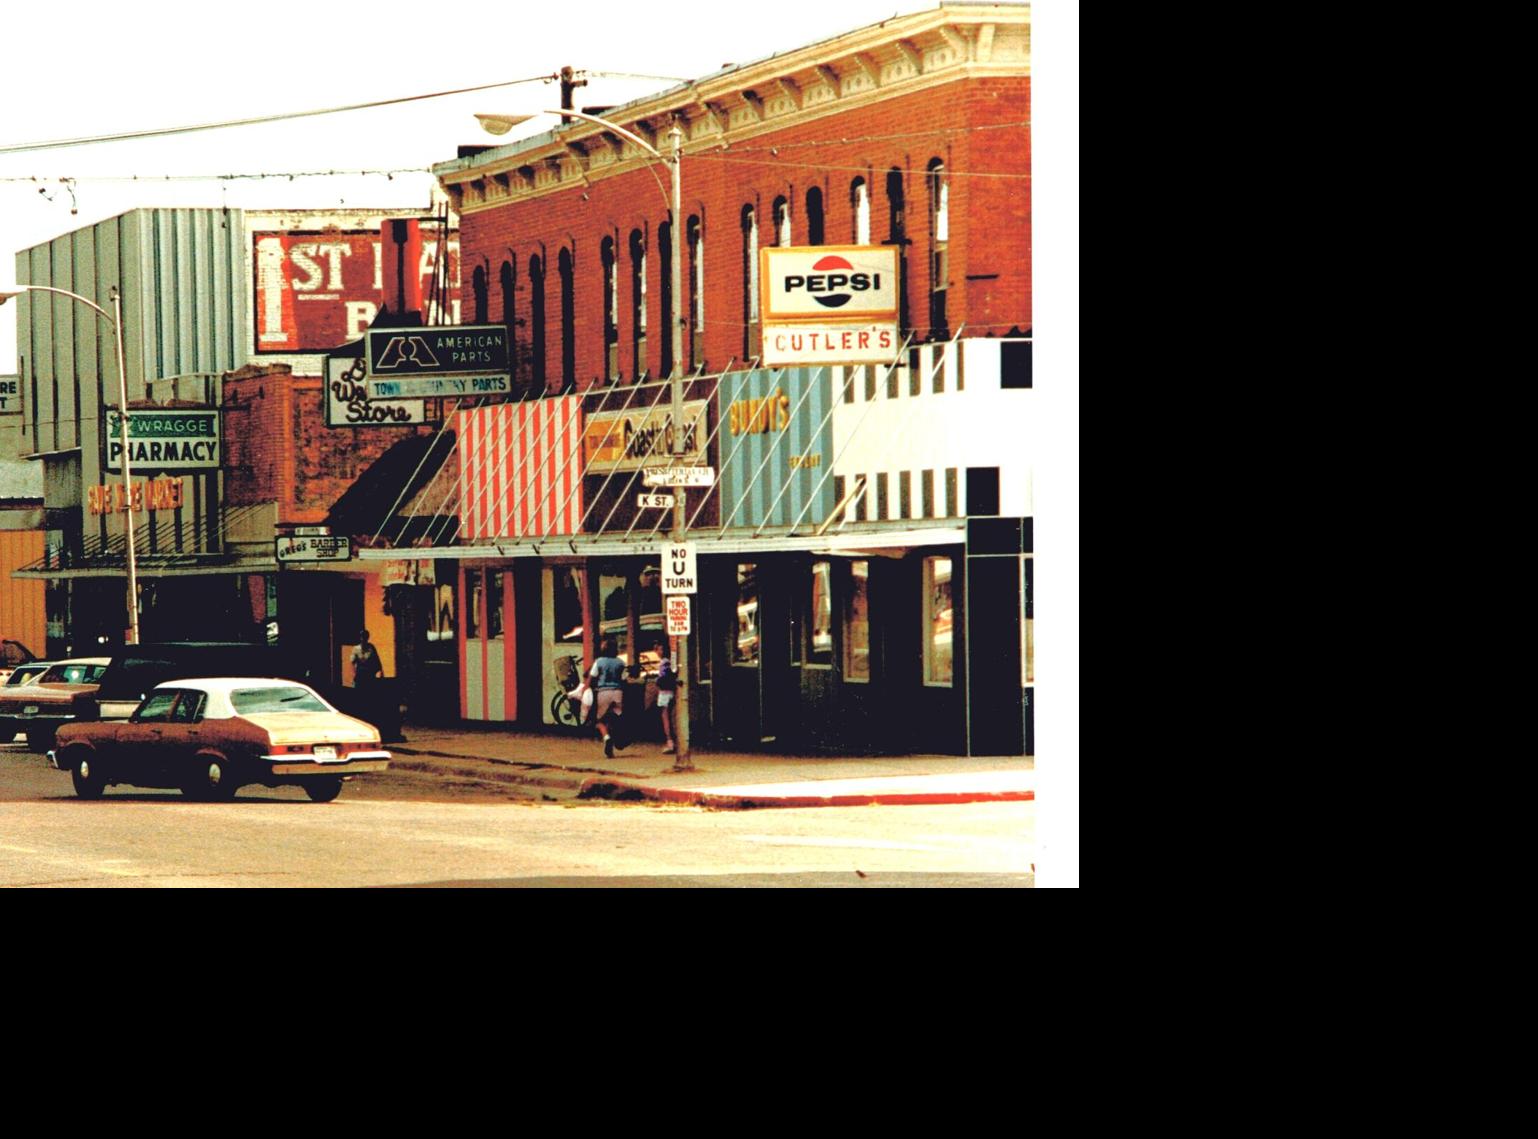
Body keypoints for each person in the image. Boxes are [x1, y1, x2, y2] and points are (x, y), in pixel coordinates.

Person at [589, 635, 628, 759]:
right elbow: (624, 679)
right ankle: (616, 738)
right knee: (616, 717)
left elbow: (592, 676)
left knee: (600, 720)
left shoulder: (599, 662)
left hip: (604, 692)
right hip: (617, 692)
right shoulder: (621, 662)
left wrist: (585, 689)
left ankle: (607, 738)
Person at [656, 647, 678, 754]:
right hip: (673, 691)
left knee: (665, 717)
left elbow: (661, 678)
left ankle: (670, 742)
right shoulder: (673, 662)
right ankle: (675, 741)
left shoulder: (663, 663)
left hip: (664, 692)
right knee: (672, 716)